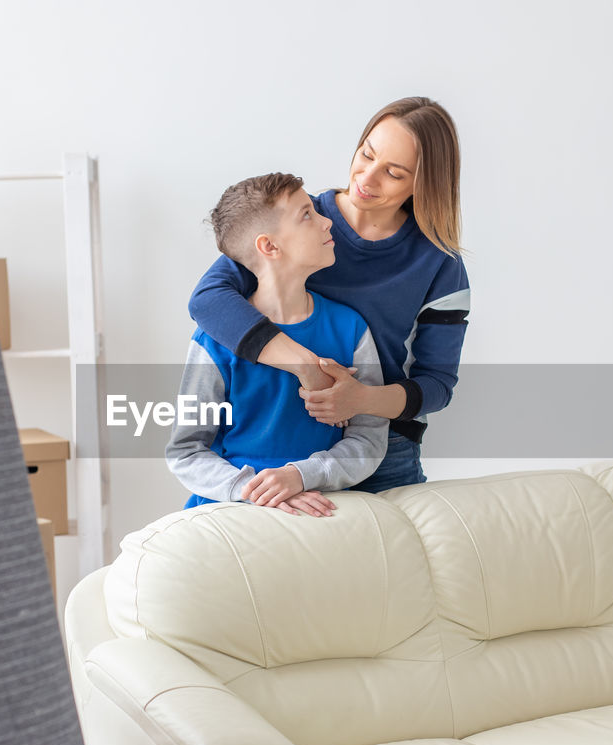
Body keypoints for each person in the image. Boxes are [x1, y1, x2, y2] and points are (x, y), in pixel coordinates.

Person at [188, 97, 468, 492]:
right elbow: (207, 301)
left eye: (393, 172)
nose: (366, 179)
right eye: (366, 154)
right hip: (282, 437)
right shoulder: (300, 224)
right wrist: (307, 366)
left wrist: (360, 400)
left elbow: (437, 385)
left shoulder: (440, 263)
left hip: (380, 449)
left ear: (424, 183)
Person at [166, 173, 388, 516]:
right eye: (306, 215)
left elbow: (368, 441)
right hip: (228, 513)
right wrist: (256, 490)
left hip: (322, 509)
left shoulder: (351, 328)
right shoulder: (213, 340)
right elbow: (186, 451)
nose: (327, 221)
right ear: (269, 246)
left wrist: (300, 476)